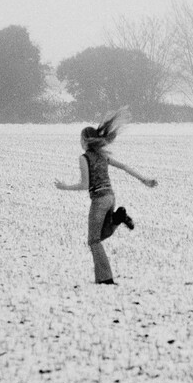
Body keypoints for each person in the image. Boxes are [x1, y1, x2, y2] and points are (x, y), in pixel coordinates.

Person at [55, 107, 157, 285]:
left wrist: (65, 187)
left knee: (93, 240)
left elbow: (84, 185)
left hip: (99, 200)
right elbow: (125, 167)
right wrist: (144, 179)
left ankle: (105, 279)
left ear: (85, 141)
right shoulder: (102, 156)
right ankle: (117, 218)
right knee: (101, 235)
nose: (79, 142)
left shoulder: (84, 158)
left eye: (80, 139)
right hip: (111, 197)